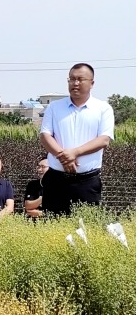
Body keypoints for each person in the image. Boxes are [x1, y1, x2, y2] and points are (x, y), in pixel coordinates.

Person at [39, 63, 114, 216]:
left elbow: (104, 140)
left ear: (92, 83)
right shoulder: (54, 107)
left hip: (87, 183)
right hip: (56, 180)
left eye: (80, 79)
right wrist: (65, 158)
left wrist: (75, 152)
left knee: (86, 230)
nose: (75, 83)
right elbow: (45, 136)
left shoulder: (103, 108)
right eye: (71, 79)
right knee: (52, 230)